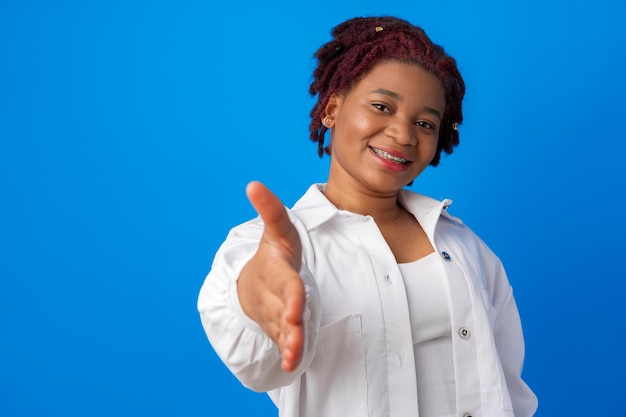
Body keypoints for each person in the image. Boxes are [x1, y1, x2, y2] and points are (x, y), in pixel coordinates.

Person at [197, 15, 538, 417]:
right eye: (381, 106)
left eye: (425, 123)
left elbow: (507, 384)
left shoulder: (465, 247)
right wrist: (259, 297)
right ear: (332, 108)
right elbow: (259, 367)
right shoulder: (270, 245)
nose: (403, 134)